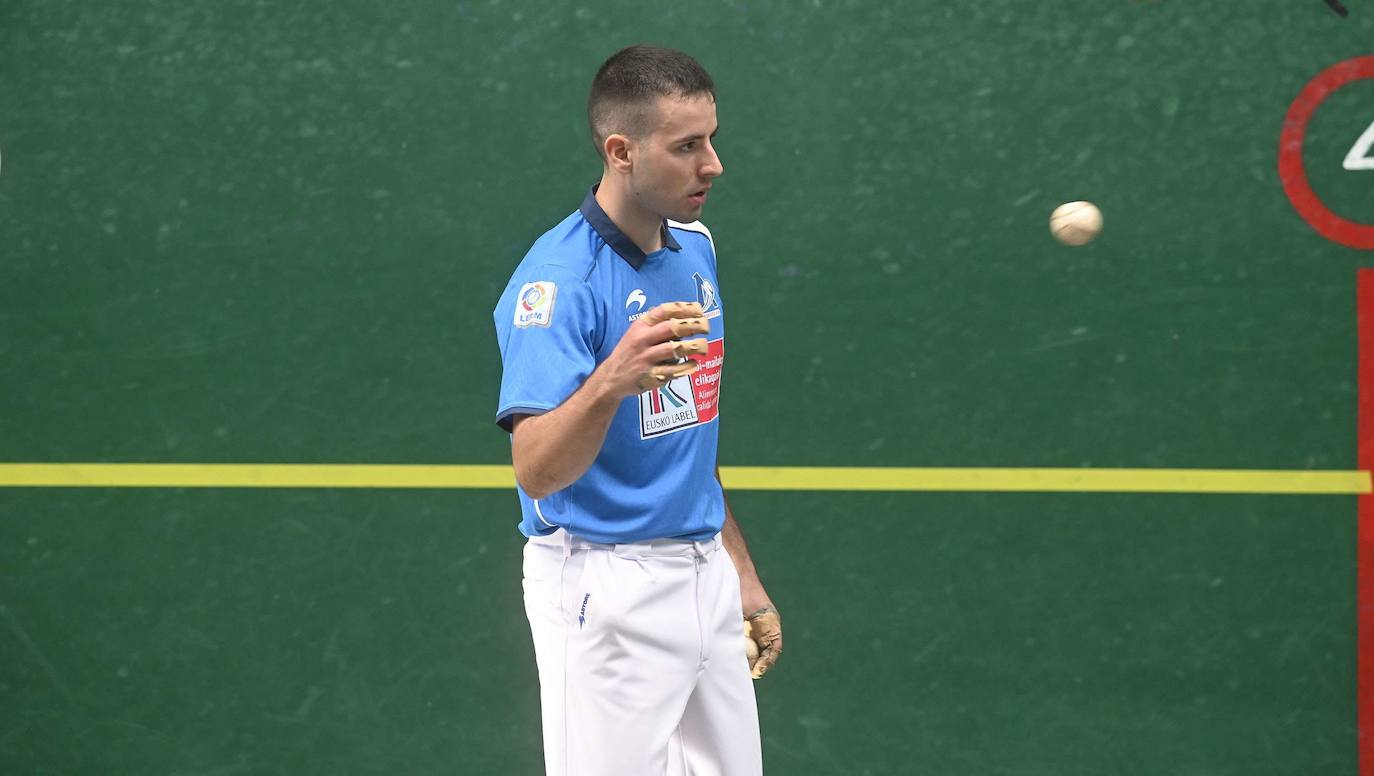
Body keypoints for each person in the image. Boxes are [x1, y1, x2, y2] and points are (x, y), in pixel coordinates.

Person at [491, 44, 782, 775]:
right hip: (603, 585)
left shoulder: (695, 249)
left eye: (711, 139)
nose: (712, 164)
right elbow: (535, 470)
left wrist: (737, 573)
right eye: (687, 147)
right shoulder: (558, 286)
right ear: (621, 151)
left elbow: (688, 438)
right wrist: (610, 380)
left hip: (701, 570)